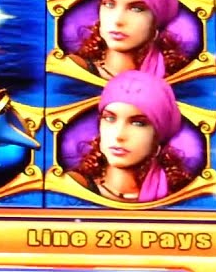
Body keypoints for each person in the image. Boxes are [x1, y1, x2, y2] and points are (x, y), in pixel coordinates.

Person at [66, 70, 193, 203]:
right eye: (109, 118)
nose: (119, 135)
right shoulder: (74, 187)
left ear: (158, 136)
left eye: (138, 123)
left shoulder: (182, 197)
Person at [70, 0, 185, 79]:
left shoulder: (176, 79)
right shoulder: (74, 70)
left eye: (137, 9)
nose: (118, 20)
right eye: (109, 4)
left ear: (157, 20)